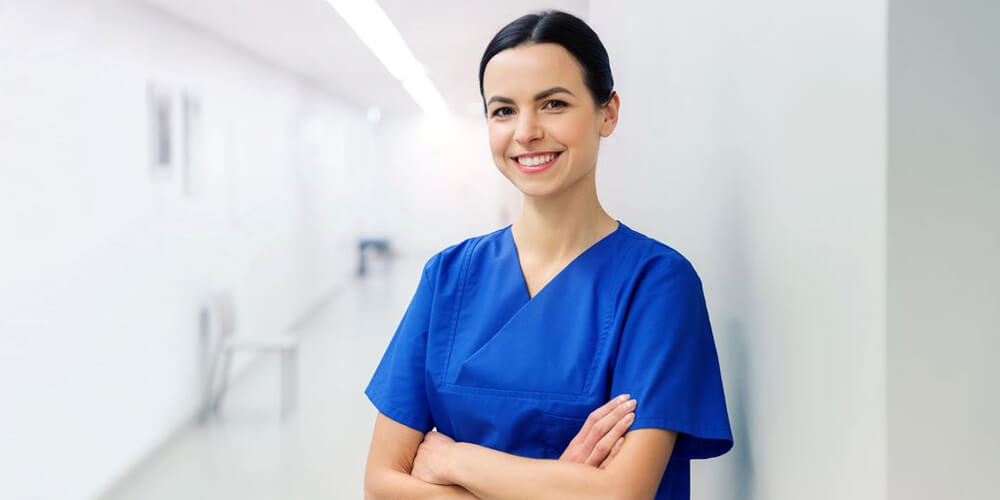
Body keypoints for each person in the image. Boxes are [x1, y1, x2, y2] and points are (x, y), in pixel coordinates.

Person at [363, 10, 733, 499]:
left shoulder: (657, 284)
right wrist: (560, 485)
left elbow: (621, 494)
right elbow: (381, 484)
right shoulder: (449, 277)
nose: (527, 131)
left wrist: (455, 459)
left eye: (553, 103)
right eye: (503, 110)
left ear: (608, 112)